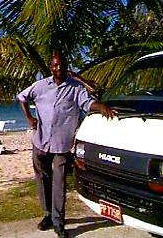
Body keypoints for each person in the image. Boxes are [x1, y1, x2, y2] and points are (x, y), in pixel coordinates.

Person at [17, 53, 117, 238]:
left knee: (59, 181)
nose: (59, 69)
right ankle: (48, 214)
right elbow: (22, 97)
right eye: (55, 65)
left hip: (62, 144)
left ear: (66, 66)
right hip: (40, 141)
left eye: (62, 65)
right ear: (50, 67)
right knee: (42, 179)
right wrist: (29, 118)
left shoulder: (76, 88)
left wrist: (101, 107)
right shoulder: (40, 87)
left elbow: (87, 103)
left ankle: (58, 222)